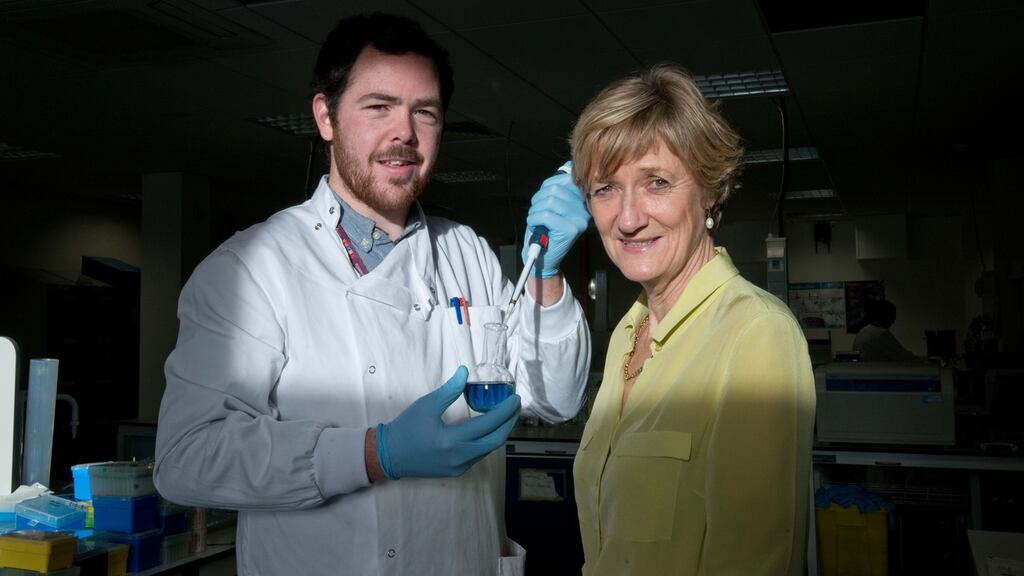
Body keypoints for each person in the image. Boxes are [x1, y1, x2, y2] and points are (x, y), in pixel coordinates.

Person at [153, 13, 591, 576]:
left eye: (424, 112)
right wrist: (371, 453)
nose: (404, 133)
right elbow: (187, 459)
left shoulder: (469, 254)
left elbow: (555, 398)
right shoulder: (251, 268)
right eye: (378, 106)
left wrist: (545, 274)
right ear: (325, 117)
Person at [569, 64, 816, 575]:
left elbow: (755, 561)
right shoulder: (627, 333)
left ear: (709, 191)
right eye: (605, 189)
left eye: (656, 182)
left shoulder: (755, 335)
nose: (629, 217)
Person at [853, 298, 921, 362]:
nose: (893, 321)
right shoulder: (880, 334)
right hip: (879, 372)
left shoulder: (863, 331)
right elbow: (902, 356)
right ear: (884, 316)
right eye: (892, 317)